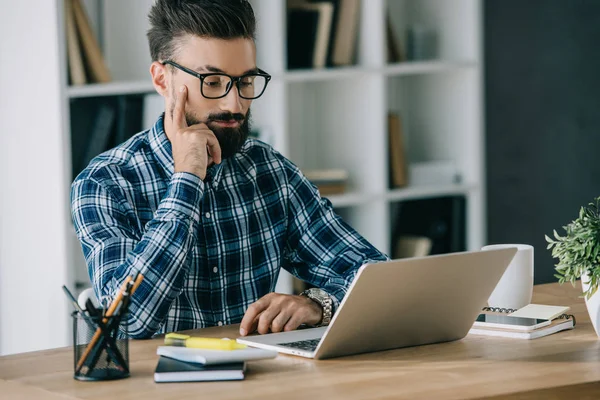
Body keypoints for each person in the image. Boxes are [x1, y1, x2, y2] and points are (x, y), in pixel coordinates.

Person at [70, 0, 388, 340]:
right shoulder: (104, 183)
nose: (234, 104)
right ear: (162, 80)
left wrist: (320, 305)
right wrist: (187, 180)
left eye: (246, 81)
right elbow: (129, 320)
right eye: (212, 81)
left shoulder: (271, 173)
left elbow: (376, 278)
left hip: (261, 382)